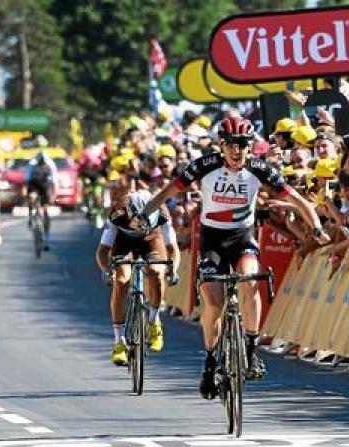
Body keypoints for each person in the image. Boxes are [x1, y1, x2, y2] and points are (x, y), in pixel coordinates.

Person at [141, 117, 329, 400]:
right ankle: (209, 362)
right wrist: (145, 215)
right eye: (231, 145)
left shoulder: (259, 168)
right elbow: (169, 191)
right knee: (214, 304)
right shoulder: (205, 166)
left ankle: (252, 350)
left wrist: (316, 226)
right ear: (221, 145)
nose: (237, 150)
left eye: (242, 144)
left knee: (251, 282)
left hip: (242, 239)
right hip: (213, 241)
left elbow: (298, 201)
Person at [95, 190, 180, 365]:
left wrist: (173, 270)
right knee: (122, 279)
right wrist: (106, 271)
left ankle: (154, 321)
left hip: (152, 241)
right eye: (139, 223)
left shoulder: (162, 212)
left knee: (156, 272)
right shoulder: (118, 212)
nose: (142, 227)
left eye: (147, 223)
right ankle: (119, 341)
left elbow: (173, 249)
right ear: (131, 213)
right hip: (124, 242)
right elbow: (102, 251)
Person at [25, 151, 58, 250]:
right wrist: (26, 193)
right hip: (34, 185)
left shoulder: (51, 165)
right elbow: (27, 180)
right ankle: (31, 217)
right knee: (32, 198)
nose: (42, 164)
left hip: (45, 186)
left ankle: (46, 235)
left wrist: (54, 195)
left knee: (46, 210)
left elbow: (54, 182)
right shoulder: (32, 165)